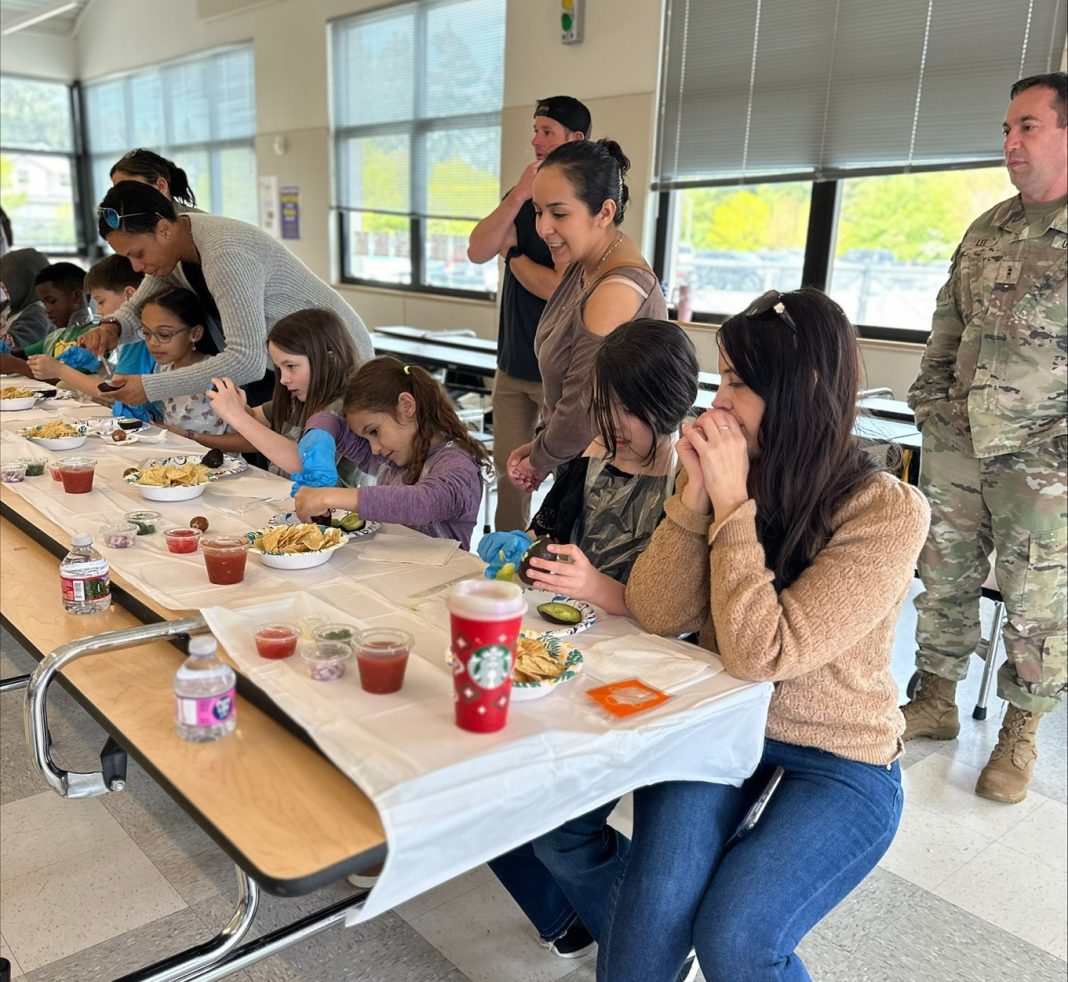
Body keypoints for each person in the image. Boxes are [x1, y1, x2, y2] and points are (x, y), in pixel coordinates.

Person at [593, 288, 930, 982]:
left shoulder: (887, 510)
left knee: (737, 938)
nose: (716, 403)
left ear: (800, 391)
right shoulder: (729, 477)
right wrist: (692, 497)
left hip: (843, 756)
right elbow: (657, 613)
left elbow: (762, 654)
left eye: (738, 385)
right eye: (721, 381)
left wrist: (734, 505)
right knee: (646, 930)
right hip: (725, 728)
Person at [476, 319, 699, 959]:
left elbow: (678, 610)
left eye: (630, 411)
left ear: (671, 401)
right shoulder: (596, 455)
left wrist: (598, 587)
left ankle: (650, 939)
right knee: (495, 785)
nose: (614, 426)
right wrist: (529, 554)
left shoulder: (693, 480)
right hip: (572, 650)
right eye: (606, 408)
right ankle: (577, 918)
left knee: (559, 828)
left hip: (655, 668)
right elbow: (557, 539)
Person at [901, 71, 1067, 804]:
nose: (1010, 143)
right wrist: (931, 401)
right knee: (944, 576)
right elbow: (948, 322)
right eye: (1007, 129)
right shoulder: (989, 227)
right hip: (960, 441)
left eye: (1027, 127)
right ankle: (935, 698)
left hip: (1045, 459)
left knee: (1036, 599)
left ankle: (1018, 734)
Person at [78, 181, 373, 409]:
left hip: (336, 364)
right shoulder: (175, 251)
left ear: (164, 229)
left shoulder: (225, 253)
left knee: (322, 474)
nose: (136, 267)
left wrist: (150, 387)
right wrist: (112, 328)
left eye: (137, 254)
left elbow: (246, 360)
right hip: (294, 368)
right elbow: (139, 302)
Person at [506, 139, 667, 495]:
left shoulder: (616, 290)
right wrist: (542, 448)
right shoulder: (585, 269)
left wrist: (540, 458)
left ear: (605, 212)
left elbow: (584, 405)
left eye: (559, 214)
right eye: (538, 211)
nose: (543, 228)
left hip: (613, 487)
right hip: (583, 470)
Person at [467, 95, 590, 531]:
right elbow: (478, 249)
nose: (536, 140)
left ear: (574, 139)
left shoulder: (579, 206)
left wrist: (514, 255)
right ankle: (505, 563)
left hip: (558, 373)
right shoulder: (524, 198)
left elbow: (560, 285)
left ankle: (557, 565)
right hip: (513, 364)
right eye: (535, 131)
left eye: (547, 132)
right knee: (510, 474)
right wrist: (520, 193)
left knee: (564, 479)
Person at [290, 357, 490, 550]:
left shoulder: (457, 464)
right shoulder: (391, 456)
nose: (374, 448)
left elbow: (422, 502)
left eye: (374, 431)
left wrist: (328, 497)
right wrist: (319, 435)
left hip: (445, 579)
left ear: (407, 406)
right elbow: (331, 422)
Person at [204, 308, 364, 479]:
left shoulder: (341, 408)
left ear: (330, 359)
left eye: (291, 366)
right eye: (279, 369)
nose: (283, 379)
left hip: (333, 505)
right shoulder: (300, 397)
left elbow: (302, 462)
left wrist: (236, 415)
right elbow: (256, 418)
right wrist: (238, 405)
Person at [139, 287, 228, 437]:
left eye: (164, 334)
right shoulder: (163, 368)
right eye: (146, 333)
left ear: (195, 333)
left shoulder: (217, 374)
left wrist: (189, 436)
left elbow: (247, 441)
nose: (152, 342)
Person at [1, 262, 91, 379]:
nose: (47, 310)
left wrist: (16, 366)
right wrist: (6, 354)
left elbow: (72, 381)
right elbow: (20, 355)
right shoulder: (55, 337)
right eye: (44, 303)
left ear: (76, 297)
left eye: (52, 301)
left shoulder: (94, 336)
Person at [110, 148, 199, 211]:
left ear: (161, 186)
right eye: (116, 191)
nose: (120, 199)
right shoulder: (126, 228)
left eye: (129, 190)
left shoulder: (200, 227)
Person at [0, 248, 50, 351]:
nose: (1, 284)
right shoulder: (12, 304)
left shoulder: (38, 316)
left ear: (26, 281)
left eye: (8, 279)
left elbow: (10, 349)